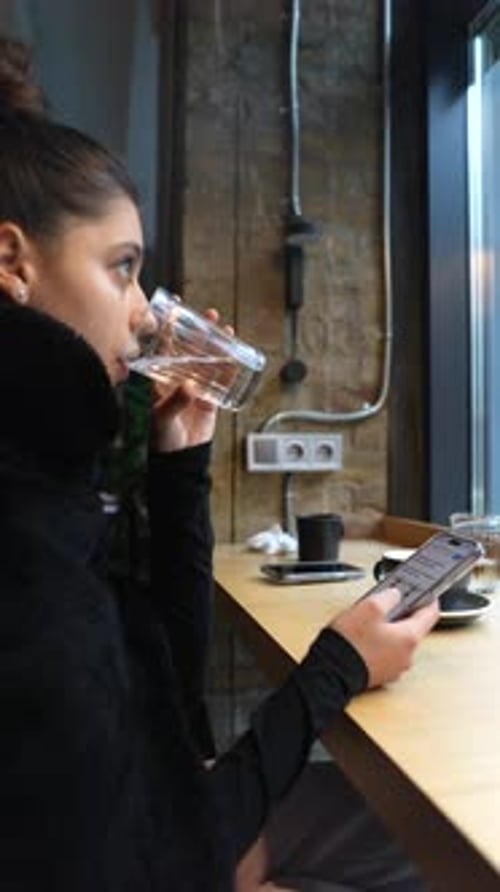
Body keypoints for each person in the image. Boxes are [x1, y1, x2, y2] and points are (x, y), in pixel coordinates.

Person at [0, 37, 438, 892]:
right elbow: (175, 857)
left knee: (392, 825)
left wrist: (180, 462)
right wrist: (335, 672)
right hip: (167, 856)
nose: (142, 317)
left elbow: (166, 697)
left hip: (154, 824)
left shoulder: (48, 479)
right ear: (13, 261)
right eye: (122, 269)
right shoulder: (22, 539)